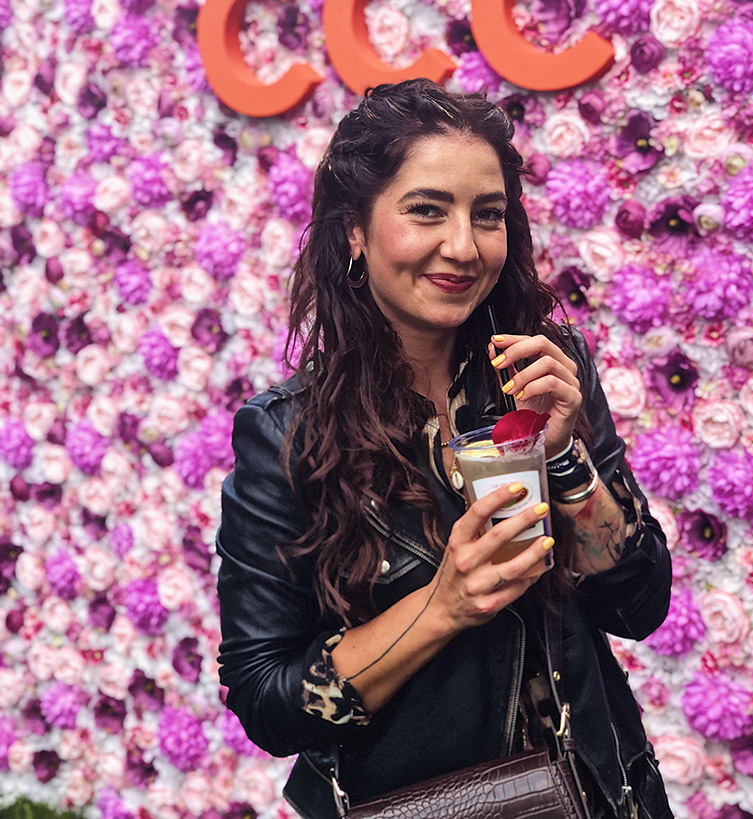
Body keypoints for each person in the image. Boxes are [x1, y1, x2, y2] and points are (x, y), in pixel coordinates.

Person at [217, 79, 673, 819]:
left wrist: (564, 458)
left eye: (487, 215)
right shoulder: (286, 434)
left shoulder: (543, 372)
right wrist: (442, 607)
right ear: (354, 231)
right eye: (427, 209)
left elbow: (639, 604)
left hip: (599, 792)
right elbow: (268, 700)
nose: (463, 247)